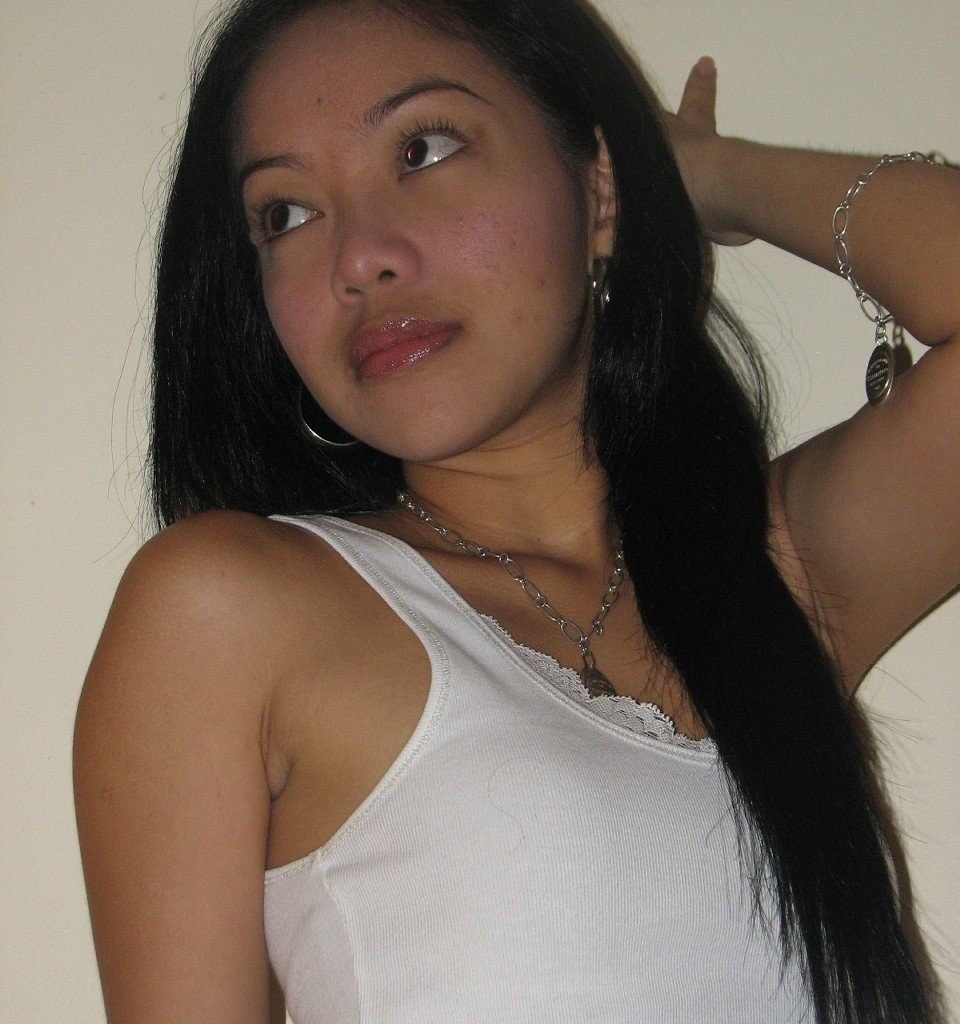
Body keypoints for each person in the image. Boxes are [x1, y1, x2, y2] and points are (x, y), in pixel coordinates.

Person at [72, 0, 959, 1021]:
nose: (357, 258)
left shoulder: (776, 573)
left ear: (595, 185)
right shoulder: (227, 610)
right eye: (286, 214)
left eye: (423, 149)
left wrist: (698, 174)